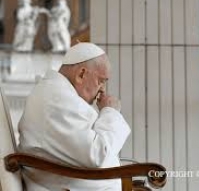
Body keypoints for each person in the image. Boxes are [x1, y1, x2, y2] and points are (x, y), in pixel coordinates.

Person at [18, 42, 131, 190]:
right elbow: (98, 154)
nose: (102, 90)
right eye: (101, 81)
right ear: (81, 74)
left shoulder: (57, 93)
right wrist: (111, 112)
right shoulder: (57, 98)